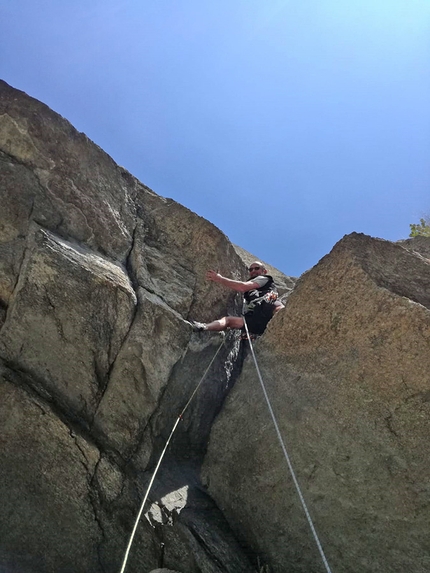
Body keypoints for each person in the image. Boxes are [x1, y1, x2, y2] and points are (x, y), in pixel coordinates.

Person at [191, 261, 284, 335]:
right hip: (255, 315)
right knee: (228, 320)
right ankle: (203, 327)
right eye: (250, 269)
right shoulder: (249, 293)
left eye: (256, 268)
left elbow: (242, 287)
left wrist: (219, 279)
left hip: (267, 304)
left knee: (278, 308)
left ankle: (286, 318)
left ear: (264, 271)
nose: (253, 271)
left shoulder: (264, 279)